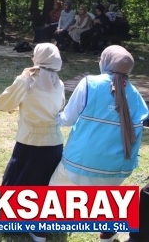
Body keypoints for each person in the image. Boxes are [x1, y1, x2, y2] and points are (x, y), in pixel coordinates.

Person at [49, 45, 148, 242]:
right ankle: (107, 234)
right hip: (118, 165)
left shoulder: (89, 83)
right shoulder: (135, 93)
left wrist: (54, 118)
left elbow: (67, 119)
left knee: (56, 188)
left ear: (105, 61)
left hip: (81, 160)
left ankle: (44, 229)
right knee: (108, 197)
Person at [0, 43, 65, 240]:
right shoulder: (59, 82)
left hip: (30, 140)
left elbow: (6, 101)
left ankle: (23, 223)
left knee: (20, 182)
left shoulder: (27, 79)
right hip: (54, 142)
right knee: (45, 184)